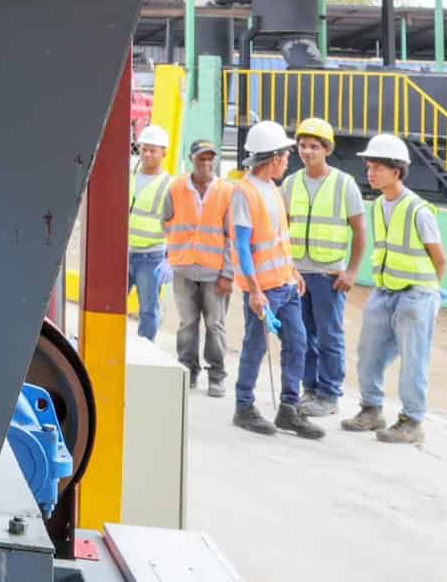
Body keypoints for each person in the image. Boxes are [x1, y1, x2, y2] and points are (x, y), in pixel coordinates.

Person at [341, 133, 447, 445]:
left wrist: (429, 294)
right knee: (368, 352)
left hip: (416, 294)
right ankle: (371, 410)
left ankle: (412, 421)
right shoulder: (377, 207)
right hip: (385, 291)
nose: (369, 173)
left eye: (376, 167)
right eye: (369, 167)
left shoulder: (419, 211)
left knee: (414, 359)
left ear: (396, 171)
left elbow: (439, 259)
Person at [228, 120, 322, 439]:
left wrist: (293, 270)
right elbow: (241, 245)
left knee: (298, 342)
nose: (288, 160)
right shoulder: (245, 192)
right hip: (264, 291)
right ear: (273, 157)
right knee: (256, 347)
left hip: (285, 286)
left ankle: (288, 409)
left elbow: (278, 239)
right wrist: (254, 290)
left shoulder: (273, 190)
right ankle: (244, 407)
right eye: (285, 155)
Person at [284, 117, 366, 418]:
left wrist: (352, 271)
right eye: (303, 146)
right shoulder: (291, 184)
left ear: (327, 149)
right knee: (302, 335)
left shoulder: (344, 184)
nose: (307, 152)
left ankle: (329, 393)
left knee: (329, 336)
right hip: (297, 275)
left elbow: (359, 230)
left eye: (314, 147)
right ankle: (310, 389)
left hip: (329, 276)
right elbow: (283, 229)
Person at [166, 135, 235, 398]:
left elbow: (232, 236)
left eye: (210, 159)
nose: (206, 163)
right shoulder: (176, 188)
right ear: (192, 160)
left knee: (215, 325)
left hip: (215, 272)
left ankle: (216, 375)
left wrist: (228, 273)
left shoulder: (227, 192)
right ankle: (188, 370)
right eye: (201, 158)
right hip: (184, 268)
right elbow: (167, 221)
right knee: (187, 323)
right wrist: (174, 253)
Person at [126, 125, 175, 341]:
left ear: (163, 152)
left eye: (152, 150)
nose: (146, 154)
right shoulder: (130, 175)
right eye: (144, 149)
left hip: (150, 256)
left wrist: (170, 259)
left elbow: (176, 225)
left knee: (148, 310)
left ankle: (146, 349)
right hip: (124, 252)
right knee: (112, 306)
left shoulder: (169, 185)